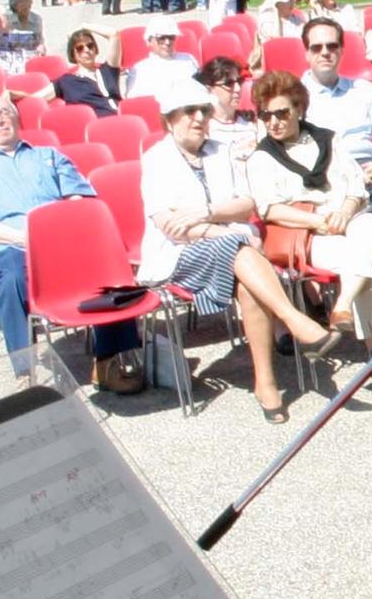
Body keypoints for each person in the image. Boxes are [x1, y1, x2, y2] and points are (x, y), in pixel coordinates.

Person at [136, 75, 339, 422]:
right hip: (178, 257)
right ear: (169, 119)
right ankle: (294, 320)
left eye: (203, 110)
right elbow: (168, 226)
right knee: (240, 248)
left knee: (247, 282)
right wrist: (225, 232)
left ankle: (266, 382)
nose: (200, 118)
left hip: (227, 247)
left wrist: (208, 215)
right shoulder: (156, 159)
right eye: (189, 112)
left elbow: (247, 204)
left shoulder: (221, 153)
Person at [0, 94, 147, 390]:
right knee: (12, 277)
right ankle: (25, 373)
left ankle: (108, 363)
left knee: (107, 268)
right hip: (9, 247)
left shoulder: (48, 156)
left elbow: (80, 196)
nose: (1, 119)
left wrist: (63, 228)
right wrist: (24, 238)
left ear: (17, 119)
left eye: (5, 112)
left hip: (59, 243)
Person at [246, 70, 372, 368]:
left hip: (348, 219)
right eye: (266, 115)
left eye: (281, 112)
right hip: (308, 234)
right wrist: (319, 222)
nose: (273, 121)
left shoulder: (328, 140)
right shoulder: (262, 158)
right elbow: (268, 209)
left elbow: (356, 185)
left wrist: (345, 211)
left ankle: (341, 306)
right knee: (364, 263)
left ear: (298, 109)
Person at [296, 20, 372, 173]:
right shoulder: (292, 97)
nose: (325, 52)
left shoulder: (364, 90)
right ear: (307, 53)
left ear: (341, 51)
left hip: (366, 170)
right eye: (317, 47)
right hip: (318, 173)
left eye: (332, 46)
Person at [198, 54, 257, 158]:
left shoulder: (250, 121)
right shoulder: (202, 129)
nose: (238, 89)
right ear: (209, 89)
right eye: (229, 83)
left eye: (239, 81)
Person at [56, 27, 123, 115]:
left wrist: (84, 26)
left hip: (119, 119)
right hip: (92, 123)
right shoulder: (66, 81)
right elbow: (37, 99)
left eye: (90, 46)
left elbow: (113, 34)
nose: (87, 50)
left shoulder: (108, 70)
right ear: (73, 53)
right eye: (80, 48)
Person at [123, 18, 199, 96]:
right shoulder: (140, 69)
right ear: (149, 41)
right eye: (161, 38)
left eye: (171, 37)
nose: (167, 42)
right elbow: (134, 102)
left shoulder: (188, 59)